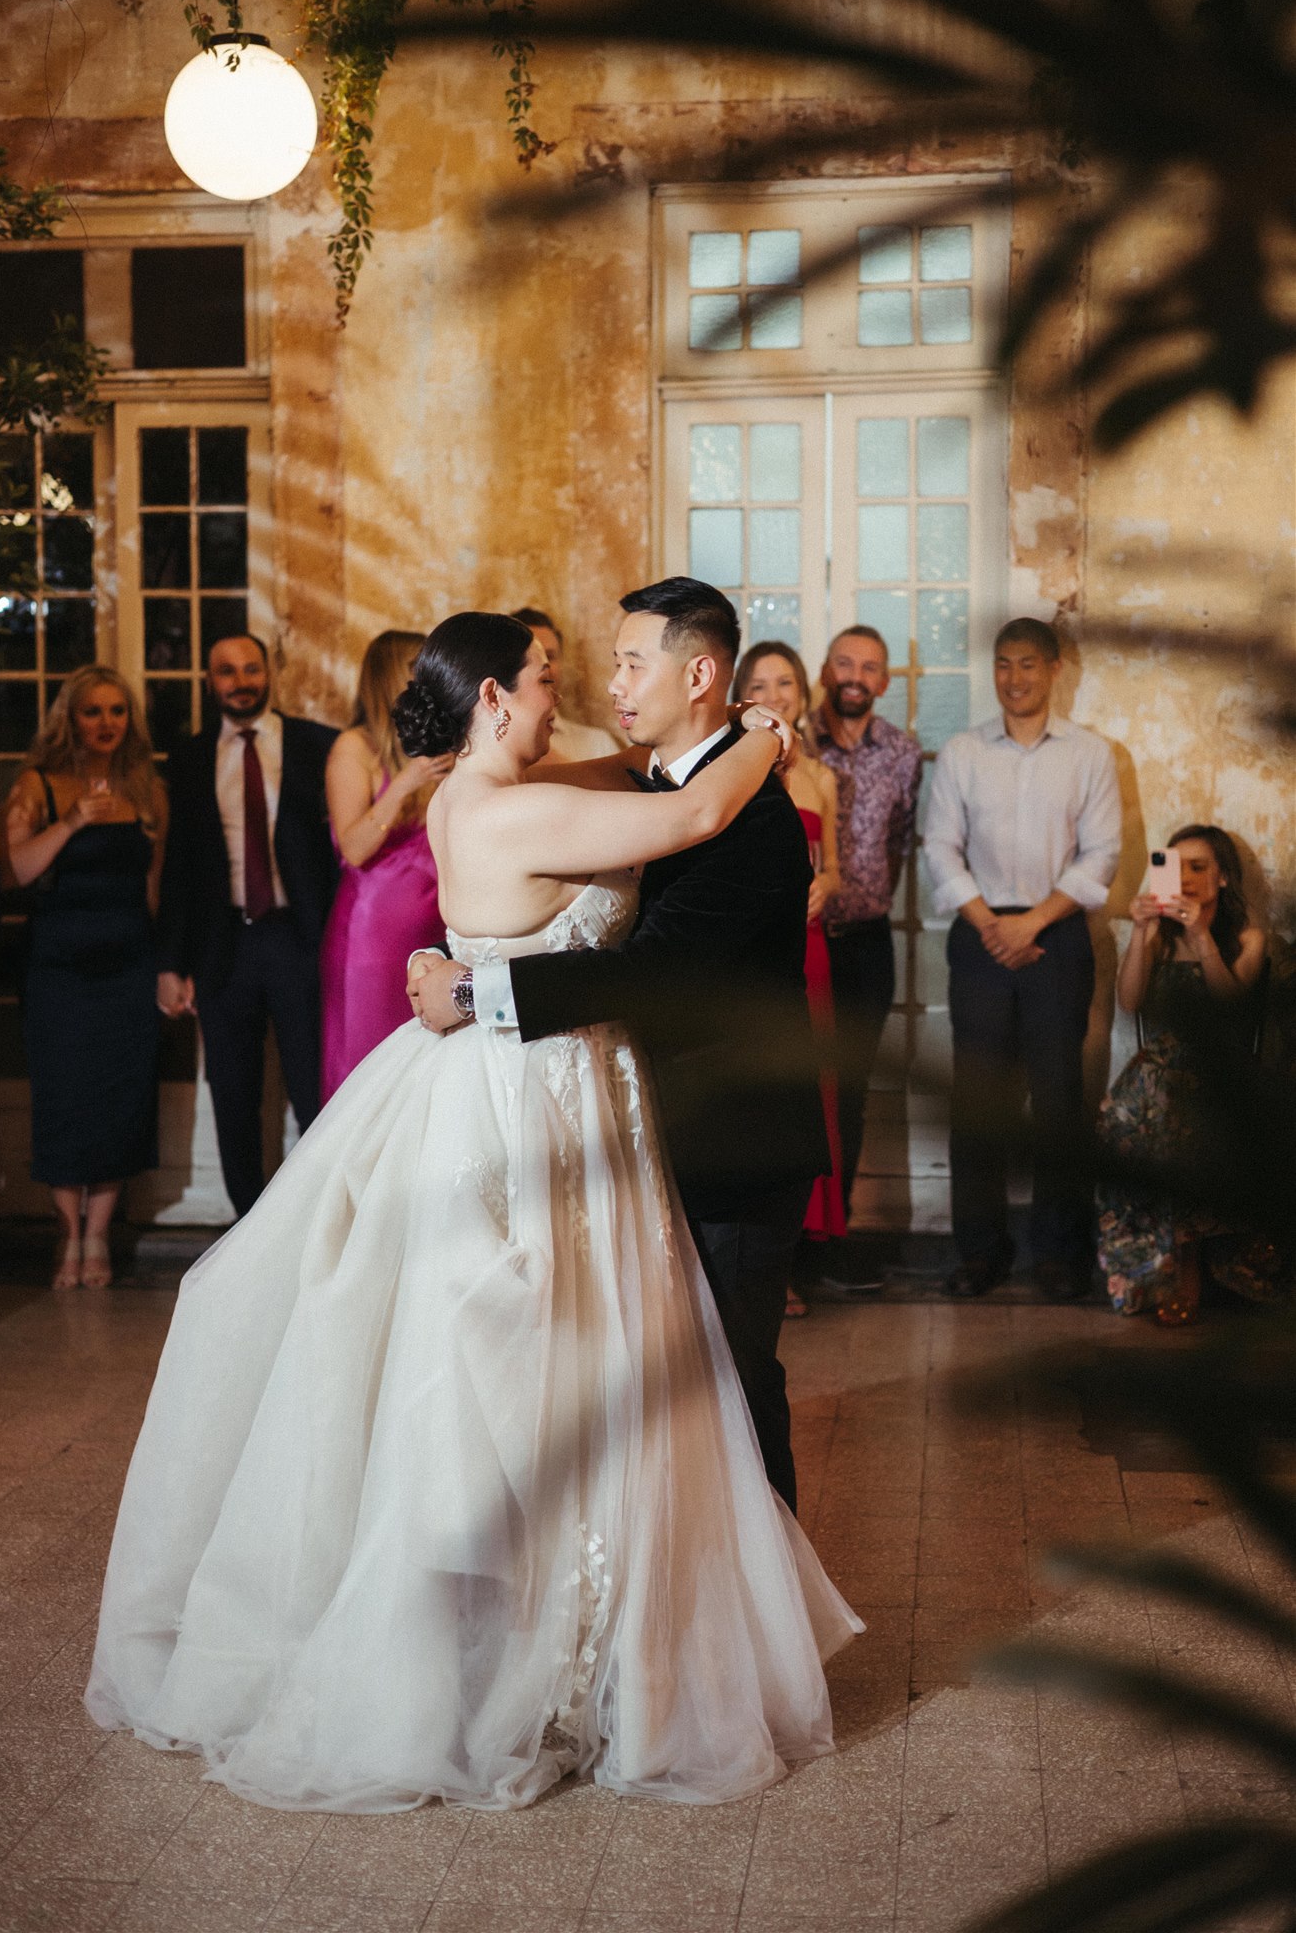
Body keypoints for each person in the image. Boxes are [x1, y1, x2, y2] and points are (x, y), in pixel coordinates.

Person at [86, 609, 860, 1813]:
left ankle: (571, 1642)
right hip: (540, 1113)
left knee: (538, 1378)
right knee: (549, 1380)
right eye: (551, 679)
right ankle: (553, 1659)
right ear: (495, 699)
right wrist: (766, 726)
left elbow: (626, 771)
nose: (576, 698)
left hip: (524, 1088)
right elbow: (692, 811)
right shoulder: (521, 807)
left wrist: (714, 735)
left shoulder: (466, 789)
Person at [413, 579, 832, 1512]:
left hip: (729, 1139)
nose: (613, 683)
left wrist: (474, 988)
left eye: (632, 662)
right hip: (631, 1127)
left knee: (729, 1383)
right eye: (610, 663)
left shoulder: (752, 818)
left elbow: (646, 973)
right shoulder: (659, 783)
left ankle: (769, 1624)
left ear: (698, 673)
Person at [924, 617, 1122, 1300]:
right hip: (980, 937)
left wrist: (1032, 921)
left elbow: (1101, 853)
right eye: (1003, 665)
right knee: (977, 1103)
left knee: (1058, 1103)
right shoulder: (961, 752)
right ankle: (979, 1252)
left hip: (1056, 937)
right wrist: (990, 924)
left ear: (1054, 669)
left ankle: (1058, 1255)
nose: (1014, 678)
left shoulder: (1089, 754)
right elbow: (939, 847)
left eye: (1028, 665)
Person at [156, 636, 337, 1219]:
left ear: (269, 672)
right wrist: (170, 963)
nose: (241, 681)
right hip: (222, 945)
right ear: (210, 681)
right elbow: (178, 864)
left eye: (251, 669)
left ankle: (319, 1223)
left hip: (300, 938)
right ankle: (247, 1228)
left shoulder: (319, 746)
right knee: (233, 1097)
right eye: (227, 672)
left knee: (317, 1091)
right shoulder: (187, 757)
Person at [0, 668, 167, 1290]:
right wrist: (70, 822)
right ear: (70, 718)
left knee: (121, 1099)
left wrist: (166, 968)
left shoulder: (148, 788)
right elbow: (14, 870)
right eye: (93, 712)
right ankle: (66, 1235)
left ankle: (98, 1234)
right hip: (59, 969)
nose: (106, 724)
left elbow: (156, 887)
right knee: (66, 1100)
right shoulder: (35, 784)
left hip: (129, 968)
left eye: (117, 712)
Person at [1097, 825, 1276, 1324]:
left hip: (1221, 1075)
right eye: (1178, 866)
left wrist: (1200, 938)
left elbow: (1229, 1005)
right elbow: (1129, 1002)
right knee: (1128, 1119)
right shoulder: (1160, 937)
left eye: (1200, 866)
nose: (1189, 877)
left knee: (1187, 1123)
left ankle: (1189, 1265)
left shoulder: (1249, 937)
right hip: (1158, 1074)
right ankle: (1159, 1264)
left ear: (1222, 878)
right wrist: (1139, 932)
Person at [808, 627, 921, 1286]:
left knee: (847, 1099)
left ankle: (831, 1240)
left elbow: (900, 840)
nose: (854, 675)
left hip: (866, 947)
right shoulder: (793, 743)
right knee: (796, 1089)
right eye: (844, 663)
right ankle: (789, 1246)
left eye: (868, 667)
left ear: (884, 682)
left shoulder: (903, 754)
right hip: (804, 943)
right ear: (825, 671)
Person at [735, 639, 845, 1315]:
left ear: (802, 694)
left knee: (811, 1096)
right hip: (750, 953)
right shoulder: (729, 768)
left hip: (808, 950)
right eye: (761, 684)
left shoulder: (821, 778)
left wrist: (827, 883)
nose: (774, 696)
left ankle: (789, 1262)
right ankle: (751, 1266)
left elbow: (831, 863)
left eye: (785, 684)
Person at [320, 630, 451, 1099]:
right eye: (419, 665)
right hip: (373, 941)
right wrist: (404, 783)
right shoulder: (353, 748)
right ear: (392, 675)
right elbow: (353, 848)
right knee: (370, 1073)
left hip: (435, 929)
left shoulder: (437, 741)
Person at [512, 605, 619, 763]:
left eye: (550, 656)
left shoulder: (599, 744)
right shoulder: (480, 746)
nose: (544, 667)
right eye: (532, 657)